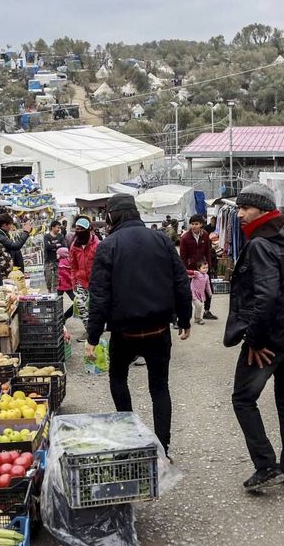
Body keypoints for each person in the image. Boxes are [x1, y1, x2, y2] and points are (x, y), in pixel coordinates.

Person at [224, 183, 284, 492]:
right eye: (238, 208)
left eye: (244, 208)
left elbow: (266, 297)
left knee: (242, 398)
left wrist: (254, 341)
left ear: (262, 210)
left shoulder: (261, 244)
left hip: (269, 341)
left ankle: (266, 465)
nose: (239, 214)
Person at [86, 194, 192, 455]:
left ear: (111, 216)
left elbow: (99, 295)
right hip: (158, 328)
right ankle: (162, 448)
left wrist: (92, 336)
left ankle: (131, 440)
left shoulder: (108, 245)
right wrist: (185, 318)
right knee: (159, 387)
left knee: (118, 379)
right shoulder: (162, 240)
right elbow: (180, 282)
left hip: (124, 332)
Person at [179, 215, 218, 320]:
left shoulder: (205, 235)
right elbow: (182, 257)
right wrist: (185, 271)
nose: (194, 226)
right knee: (188, 292)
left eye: (196, 224)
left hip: (203, 268)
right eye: (192, 224)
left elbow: (208, 252)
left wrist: (208, 266)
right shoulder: (185, 238)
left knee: (208, 289)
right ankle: (185, 315)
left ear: (201, 224)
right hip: (190, 269)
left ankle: (207, 311)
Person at [68, 216, 100, 335]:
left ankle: (97, 327)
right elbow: (73, 265)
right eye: (77, 228)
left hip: (95, 281)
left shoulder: (97, 244)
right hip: (81, 281)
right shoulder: (74, 246)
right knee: (80, 305)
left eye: (82, 229)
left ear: (89, 229)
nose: (79, 231)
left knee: (95, 308)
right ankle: (90, 331)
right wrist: (74, 282)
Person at [43, 220, 67, 292]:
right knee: (48, 277)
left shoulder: (60, 236)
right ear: (53, 227)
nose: (59, 229)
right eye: (57, 227)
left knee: (57, 277)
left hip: (58, 260)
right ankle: (49, 290)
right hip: (48, 260)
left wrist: (52, 246)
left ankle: (55, 292)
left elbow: (64, 245)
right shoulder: (46, 236)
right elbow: (47, 246)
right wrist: (57, 245)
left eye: (59, 227)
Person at [190, 260, 212, 325]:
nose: (205, 269)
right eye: (204, 268)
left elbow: (207, 286)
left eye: (207, 267)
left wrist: (209, 293)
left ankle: (196, 318)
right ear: (199, 268)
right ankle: (198, 319)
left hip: (200, 294)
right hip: (193, 293)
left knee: (198, 306)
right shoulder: (196, 274)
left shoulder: (207, 276)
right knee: (199, 305)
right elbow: (189, 274)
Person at [56, 246, 75, 321]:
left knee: (57, 299)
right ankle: (62, 315)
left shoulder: (62, 262)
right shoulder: (67, 261)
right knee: (72, 297)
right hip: (67, 285)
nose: (56, 255)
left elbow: (65, 274)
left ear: (62, 254)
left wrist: (71, 280)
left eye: (57, 254)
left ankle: (58, 314)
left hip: (63, 285)